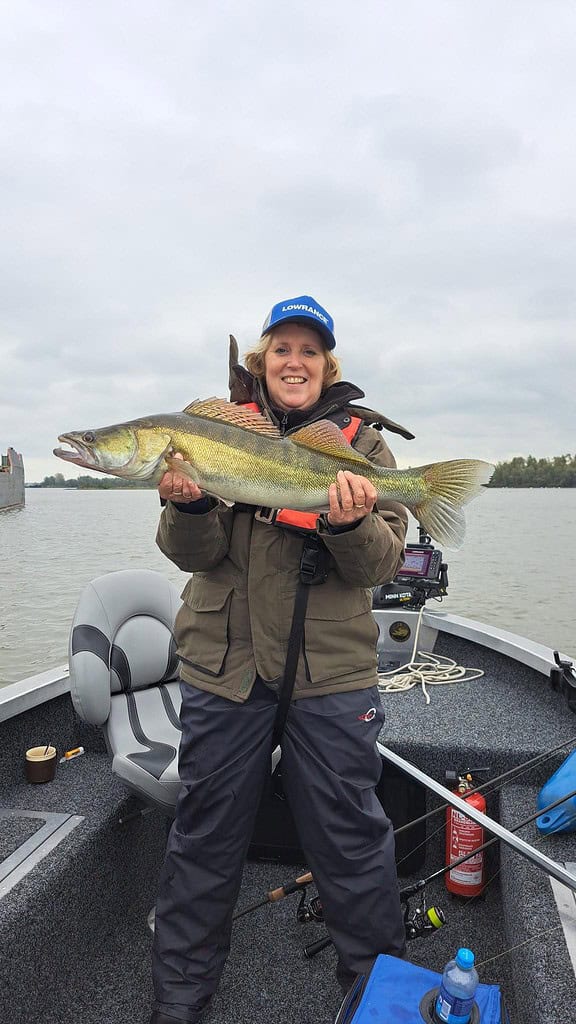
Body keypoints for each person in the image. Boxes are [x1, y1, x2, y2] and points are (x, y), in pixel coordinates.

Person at [150, 295, 412, 1024]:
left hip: (330, 675)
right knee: (203, 840)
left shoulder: (364, 447)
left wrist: (353, 521)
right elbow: (189, 556)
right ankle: (178, 1003)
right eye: (281, 349)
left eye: (309, 350)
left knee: (353, 847)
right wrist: (192, 507)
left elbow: (379, 568)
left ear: (327, 365)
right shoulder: (205, 434)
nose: (294, 362)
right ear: (260, 362)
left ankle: (378, 1006)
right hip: (223, 669)